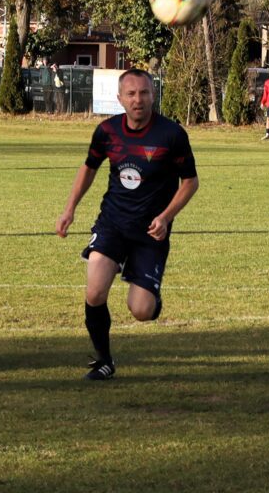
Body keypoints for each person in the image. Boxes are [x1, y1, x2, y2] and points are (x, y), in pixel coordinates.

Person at [55, 68, 199, 381]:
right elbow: (89, 168)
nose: (138, 100)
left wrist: (165, 217)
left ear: (153, 95)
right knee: (94, 292)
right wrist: (69, 209)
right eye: (131, 94)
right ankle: (104, 361)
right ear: (120, 98)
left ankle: (151, 294)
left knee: (142, 311)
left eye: (144, 93)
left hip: (151, 232)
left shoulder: (171, 134)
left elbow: (190, 182)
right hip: (112, 224)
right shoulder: (107, 131)